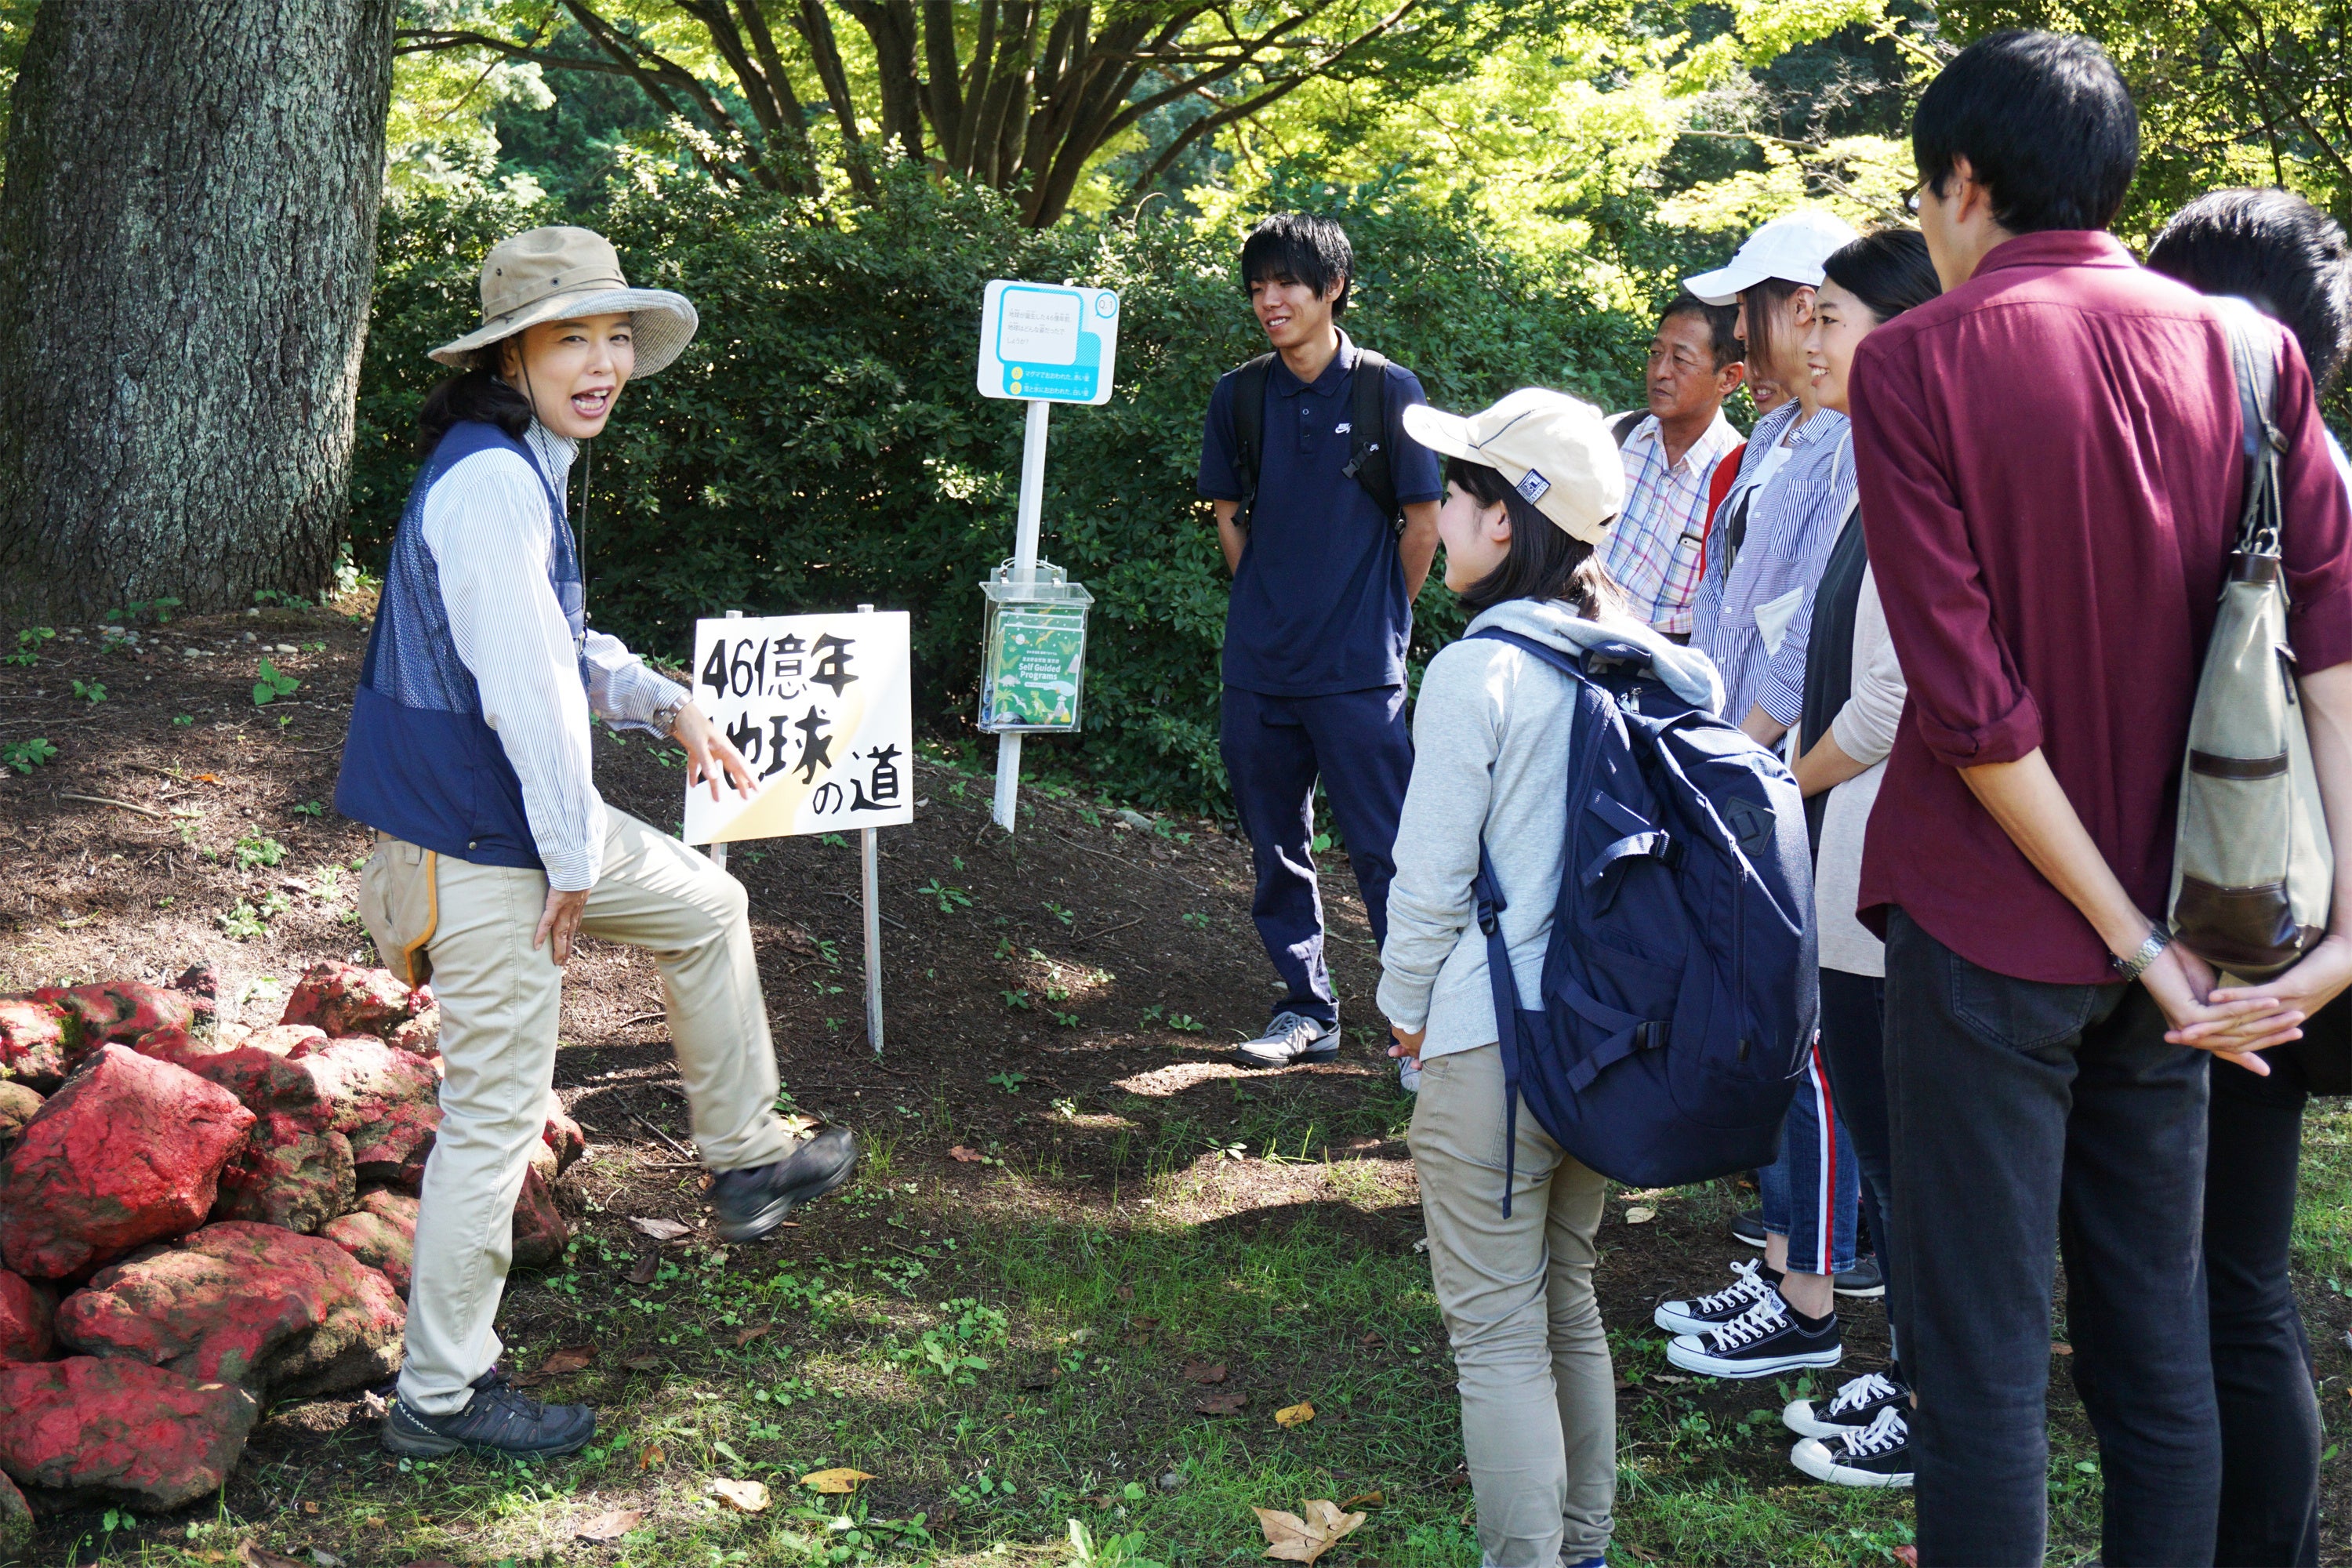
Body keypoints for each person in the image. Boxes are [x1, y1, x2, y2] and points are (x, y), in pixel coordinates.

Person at [1848, 34, 2352, 1565]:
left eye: (1924, 192)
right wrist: (2340, 925)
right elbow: (2331, 649)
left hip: (1995, 926)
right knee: (2159, 1353)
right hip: (2206, 927)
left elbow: (1972, 711)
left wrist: (2124, 935)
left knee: (1984, 1377)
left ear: (1964, 182)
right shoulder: (2250, 355)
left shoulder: (1915, 361)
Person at [339, 226, 860, 1459]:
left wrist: (664, 702)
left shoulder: (524, 463)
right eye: (571, 337)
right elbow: (525, 692)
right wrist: (571, 862)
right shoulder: (487, 484)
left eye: (616, 336)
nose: (604, 362)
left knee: (705, 906)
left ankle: (746, 1162)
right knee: (493, 1120)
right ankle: (440, 1398)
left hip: (506, 824)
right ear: (508, 356)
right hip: (474, 843)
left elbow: (556, 648)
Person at [1380, 387, 1722, 1568]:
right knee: (1565, 1292)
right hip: (1608, 1043)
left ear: (1507, 516)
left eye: (1457, 492)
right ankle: (1585, 1547)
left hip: (1492, 1042)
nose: (1438, 512)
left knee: (1494, 1333)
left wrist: (1403, 1013)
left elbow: (1429, 880)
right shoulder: (1654, 666)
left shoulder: (1477, 672)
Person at [2147, 185, 2352, 1568]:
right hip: (2271, 935)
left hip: (2250, 941)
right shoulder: (2301, 478)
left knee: (2225, 1288)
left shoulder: (2272, 493)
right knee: (2226, 1283)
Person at [1656, 208, 1864, 1382]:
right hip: (1740, 756)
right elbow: (1732, 603)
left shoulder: (1852, 445)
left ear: (1801, 305)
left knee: (1804, 1036)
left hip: (1784, 772)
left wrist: (1744, 756)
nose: (1740, 327)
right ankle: (1784, 1257)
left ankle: (1810, 1297)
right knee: (1768, 1025)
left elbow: (1811, 631)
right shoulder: (1784, 428)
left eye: (1749, 305)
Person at [1771, 227, 1944, 1490]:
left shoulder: (1915, 479)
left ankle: (1937, 1405)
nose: (1807, 336)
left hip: (1880, 863)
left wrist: (1787, 785)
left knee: (1908, 1159)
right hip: (1854, 855)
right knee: (1892, 1152)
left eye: (1830, 316)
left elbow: (1887, 701)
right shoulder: (1871, 467)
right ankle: (1915, 1371)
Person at [1197, 214, 1445, 1073]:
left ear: (1333, 287)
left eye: (1287, 284)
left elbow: (1422, 524)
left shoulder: (1388, 390)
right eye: (1258, 287)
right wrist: (1271, 602)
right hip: (1259, 668)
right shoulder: (1239, 396)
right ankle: (1307, 1008)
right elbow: (1229, 516)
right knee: (1275, 850)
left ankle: (1419, 1032)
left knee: (1389, 852)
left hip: (1357, 671)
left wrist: (1378, 618)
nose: (1270, 301)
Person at [1599, 295, 1746, 639]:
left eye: (1680, 360)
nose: (1660, 372)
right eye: (1655, 353)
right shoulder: (1613, 438)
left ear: (1728, 378)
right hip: (1568, 638)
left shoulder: (1739, 482)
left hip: (1658, 662)